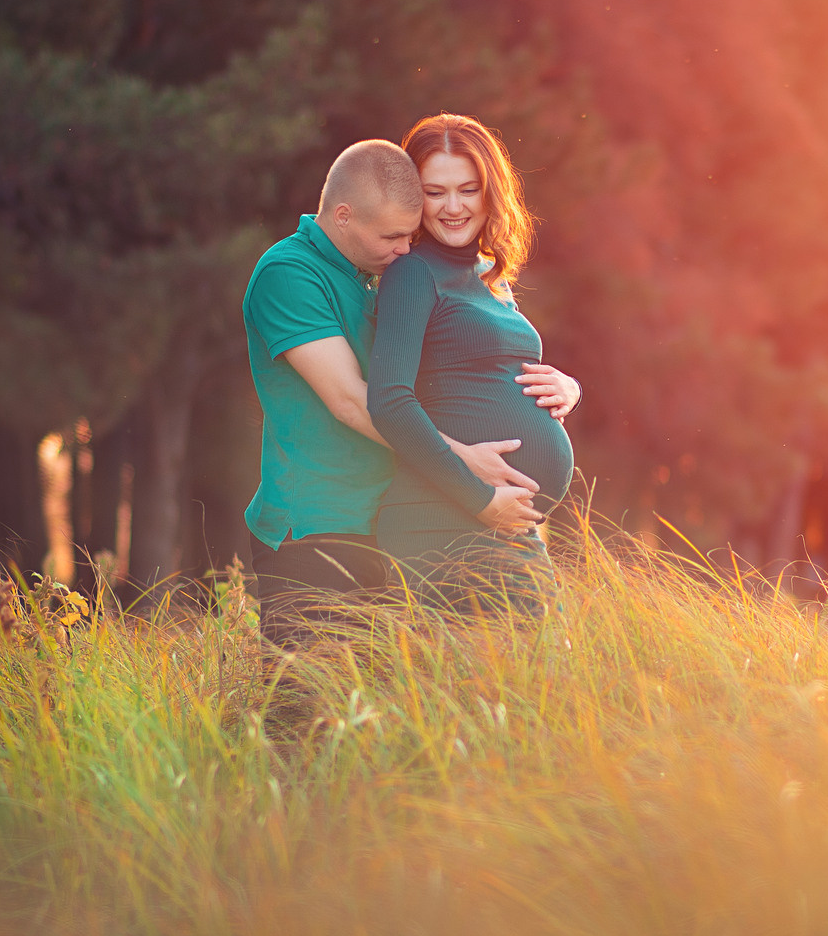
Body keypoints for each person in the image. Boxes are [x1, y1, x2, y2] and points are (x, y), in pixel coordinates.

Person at [241, 137, 563, 643]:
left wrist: (559, 385)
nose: (405, 250)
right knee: (310, 710)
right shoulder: (290, 273)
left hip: (390, 518)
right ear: (343, 216)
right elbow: (352, 400)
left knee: (390, 712)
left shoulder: (375, 270)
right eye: (393, 236)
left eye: (410, 236)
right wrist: (465, 464)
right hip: (320, 527)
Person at [365, 114, 578, 611]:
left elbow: (499, 373)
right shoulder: (414, 273)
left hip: (504, 522)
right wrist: (479, 499)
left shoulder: (488, 275)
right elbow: (389, 402)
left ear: (491, 190)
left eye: (468, 189)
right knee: (503, 678)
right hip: (442, 520)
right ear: (412, 197)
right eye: (435, 192)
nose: (454, 208)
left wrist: (568, 388)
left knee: (543, 678)